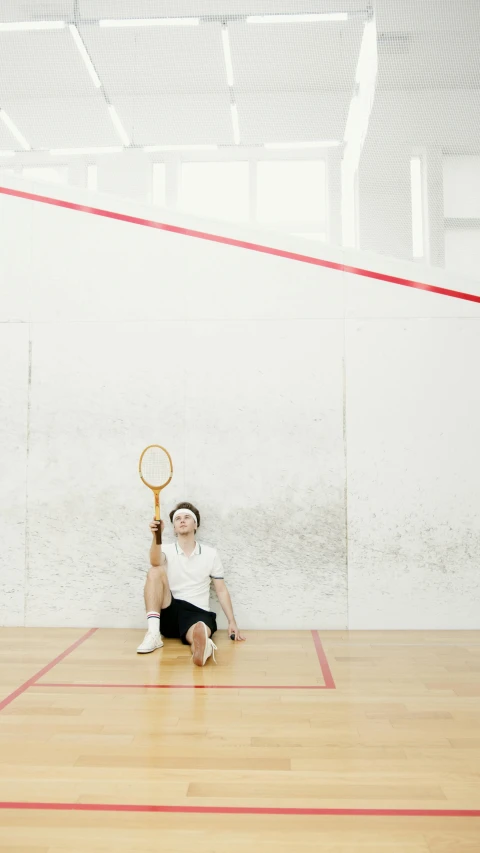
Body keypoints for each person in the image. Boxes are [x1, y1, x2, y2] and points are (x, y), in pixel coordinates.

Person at [136, 501, 245, 665]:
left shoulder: (210, 554)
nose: (182, 520)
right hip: (170, 610)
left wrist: (232, 621)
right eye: (178, 518)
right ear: (173, 528)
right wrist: (156, 536)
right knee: (154, 570)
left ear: (196, 524)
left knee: (198, 634)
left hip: (198, 614)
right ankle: (153, 634)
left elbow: (221, 590)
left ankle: (202, 649)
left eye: (187, 517)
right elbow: (154, 560)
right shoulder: (165, 549)